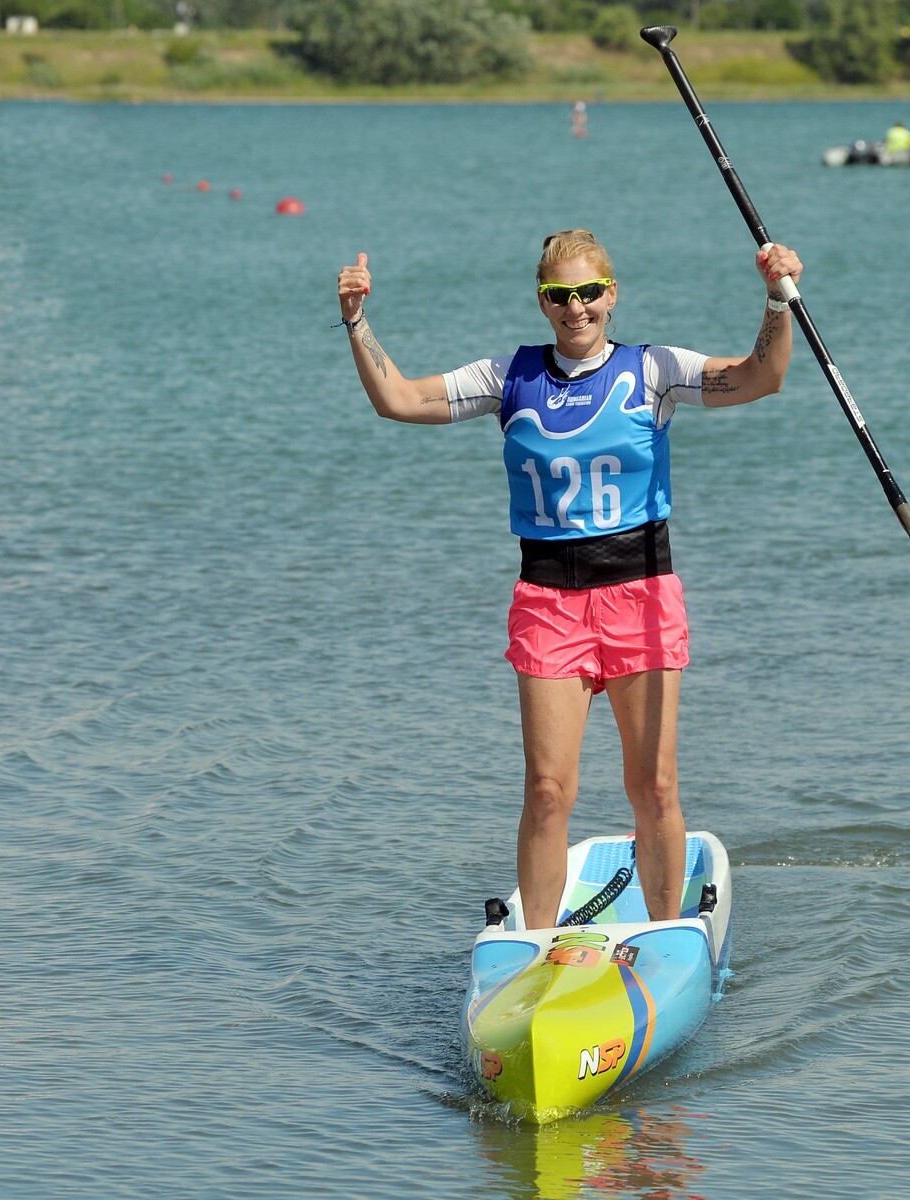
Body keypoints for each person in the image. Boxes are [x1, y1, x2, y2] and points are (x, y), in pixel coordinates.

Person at [336, 230, 803, 930]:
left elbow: (760, 377)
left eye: (589, 292)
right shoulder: (509, 377)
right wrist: (355, 319)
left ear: (612, 295)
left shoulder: (655, 370)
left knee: (654, 787)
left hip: (640, 593)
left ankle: (666, 935)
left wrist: (777, 298)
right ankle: (537, 946)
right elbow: (399, 399)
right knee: (549, 790)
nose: (576, 307)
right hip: (547, 602)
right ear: (543, 302)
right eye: (561, 295)